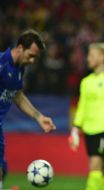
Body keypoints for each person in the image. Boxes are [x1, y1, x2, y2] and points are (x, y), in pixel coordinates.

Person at [0, 29, 56, 188]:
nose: (32, 61)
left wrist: (39, 117)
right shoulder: (1, 64)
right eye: (30, 55)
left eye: (35, 58)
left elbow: (17, 95)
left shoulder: (18, 68)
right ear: (19, 48)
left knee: (3, 170)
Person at [68, 42, 104, 190]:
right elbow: (81, 107)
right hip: (89, 130)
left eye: (91, 55)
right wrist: (75, 130)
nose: (88, 58)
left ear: (101, 57)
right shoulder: (86, 82)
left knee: (95, 166)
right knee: (103, 168)